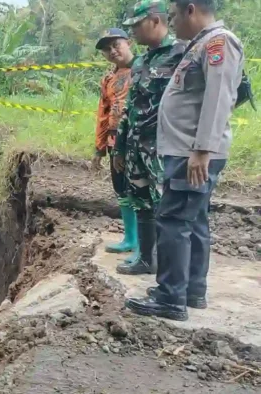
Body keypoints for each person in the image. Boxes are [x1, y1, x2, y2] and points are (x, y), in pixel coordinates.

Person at [125, 0, 245, 322]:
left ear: (191, 9)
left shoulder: (219, 42)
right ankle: (191, 290)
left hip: (193, 153)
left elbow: (219, 98)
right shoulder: (199, 44)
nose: (173, 22)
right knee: (194, 221)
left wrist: (202, 150)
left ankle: (170, 298)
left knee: (174, 221)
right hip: (188, 150)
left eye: (175, 15)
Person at [112, 0, 186, 276]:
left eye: (137, 26)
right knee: (141, 201)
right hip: (136, 148)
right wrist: (120, 147)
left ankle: (169, 270)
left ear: (155, 21)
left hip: (164, 149)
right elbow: (130, 107)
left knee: (165, 207)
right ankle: (145, 258)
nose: (134, 33)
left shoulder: (183, 53)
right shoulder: (141, 61)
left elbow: (227, 92)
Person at [93, 29, 136, 256]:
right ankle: (130, 238)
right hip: (114, 142)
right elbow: (103, 113)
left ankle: (147, 245)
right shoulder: (108, 79)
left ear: (128, 43)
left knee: (143, 192)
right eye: (106, 50)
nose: (112, 52)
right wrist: (99, 149)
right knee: (122, 190)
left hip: (140, 142)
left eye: (116, 45)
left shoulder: (145, 69)